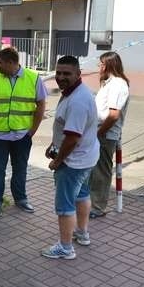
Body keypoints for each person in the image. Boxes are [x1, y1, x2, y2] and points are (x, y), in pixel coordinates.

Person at [0, 47, 47, 216]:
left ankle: (21, 199)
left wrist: (32, 131)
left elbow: (41, 105)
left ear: (10, 63)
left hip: (22, 135)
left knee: (20, 169)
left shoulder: (33, 78)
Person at [42, 56, 99, 259]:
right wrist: (53, 145)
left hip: (73, 162)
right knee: (82, 195)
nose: (61, 77)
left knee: (65, 204)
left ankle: (65, 248)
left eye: (67, 73)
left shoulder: (78, 100)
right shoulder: (73, 93)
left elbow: (73, 137)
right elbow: (65, 129)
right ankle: (82, 233)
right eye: (58, 72)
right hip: (85, 158)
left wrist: (58, 160)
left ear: (78, 74)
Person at [89, 52, 130, 219]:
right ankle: (92, 203)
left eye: (100, 64)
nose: (99, 68)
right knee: (93, 170)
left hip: (105, 135)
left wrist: (98, 134)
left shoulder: (118, 85)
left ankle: (98, 207)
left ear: (107, 65)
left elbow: (113, 115)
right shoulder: (109, 83)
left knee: (100, 172)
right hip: (99, 133)